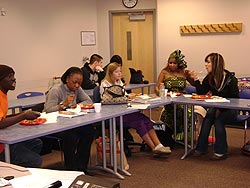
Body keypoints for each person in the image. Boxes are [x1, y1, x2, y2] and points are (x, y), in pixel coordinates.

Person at [100, 62, 171, 155]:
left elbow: (123, 96)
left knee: (146, 119)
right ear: (110, 73)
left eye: (120, 71)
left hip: (124, 110)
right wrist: (126, 98)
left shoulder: (119, 82)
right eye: (116, 72)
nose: (119, 74)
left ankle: (159, 145)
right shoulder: (104, 84)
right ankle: (153, 148)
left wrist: (130, 96)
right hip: (113, 115)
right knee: (139, 122)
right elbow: (108, 100)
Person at [44, 67, 95, 172]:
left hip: (70, 122)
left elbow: (88, 100)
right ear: (67, 79)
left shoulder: (77, 89)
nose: (77, 85)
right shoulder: (56, 90)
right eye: (74, 82)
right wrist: (64, 105)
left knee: (89, 131)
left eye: (79, 83)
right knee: (71, 137)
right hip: (55, 125)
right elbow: (48, 110)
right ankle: (71, 169)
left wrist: (77, 105)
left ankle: (82, 167)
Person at [189, 53, 239, 160]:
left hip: (230, 109)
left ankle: (221, 151)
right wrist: (196, 80)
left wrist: (220, 109)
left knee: (218, 120)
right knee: (208, 118)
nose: (206, 65)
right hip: (216, 107)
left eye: (208, 62)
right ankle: (201, 148)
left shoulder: (231, 79)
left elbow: (236, 99)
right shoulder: (210, 78)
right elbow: (202, 91)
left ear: (216, 64)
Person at [0, 65, 42, 167]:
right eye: (10, 76)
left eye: (13, 75)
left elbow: (3, 118)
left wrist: (24, 113)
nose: (14, 79)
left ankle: (17, 170)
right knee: (35, 160)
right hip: (1, 146)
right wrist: (23, 116)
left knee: (36, 143)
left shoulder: (3, 95)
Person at [155, 50, 199, 140]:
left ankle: (184, 136)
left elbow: (195, 84)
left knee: (188, 111)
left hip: (182, 98)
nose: (172, 65)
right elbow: (157, 87)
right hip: (169, 99)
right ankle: (173, 136)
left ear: (179, 63)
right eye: (170, 63)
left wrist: (193, 76)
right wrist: (161, 93)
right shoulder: (164, 72)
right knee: (177, 110)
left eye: (174, 63)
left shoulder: (184, 72)